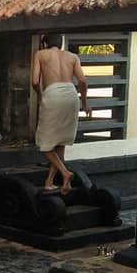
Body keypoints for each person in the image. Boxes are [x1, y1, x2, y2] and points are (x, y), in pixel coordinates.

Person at [31, 32, 91, 194]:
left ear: (44, 44)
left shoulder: (41, 54)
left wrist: (40, 95)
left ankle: (65, 173)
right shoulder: (72, 57)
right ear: (61, 43)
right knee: (60, 141)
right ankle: (50, 181)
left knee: (44, 143)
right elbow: (83, 81)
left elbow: (35, 81)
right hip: (71, 95)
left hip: (53, 94)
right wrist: (85, 104)